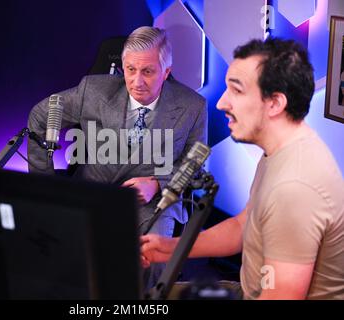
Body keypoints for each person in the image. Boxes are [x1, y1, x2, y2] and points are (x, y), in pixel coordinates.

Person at [141, 38, 344, 300]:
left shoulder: (295, 188)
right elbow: (243, 225)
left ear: (274, 103)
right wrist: (170, 248)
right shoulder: (280, 150)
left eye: (236, 91)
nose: (221, 103)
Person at [27, 26, 207, 288]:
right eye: (130, 70)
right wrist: (46, 186)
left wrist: (158, 182)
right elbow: (41, 116)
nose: (137, 81)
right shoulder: (94, 91)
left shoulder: (192, 106)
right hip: (95, 194)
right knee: (59, 257)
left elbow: (196, 165)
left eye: (147, 71)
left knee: (149, 264)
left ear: (166, 72)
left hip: (152, 205)